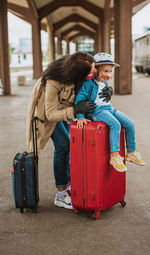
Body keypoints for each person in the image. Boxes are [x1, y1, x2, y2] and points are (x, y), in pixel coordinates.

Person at [26, 52, 113, 210]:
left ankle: (68, 185)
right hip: (48, 115)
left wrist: (106, 90)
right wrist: (75, 110)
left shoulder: (82, 72)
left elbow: (95, 84)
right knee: (64, 146)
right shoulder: (53, 81)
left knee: (71, 147)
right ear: (78, 73)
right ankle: (60, 195)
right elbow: (50, 114)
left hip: (66, 111)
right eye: (91, 71)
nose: (95, 72)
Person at [75, 52, 146, 172]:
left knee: (130, 123)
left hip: (109, 108)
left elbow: (103, 98)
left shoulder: (104, 82)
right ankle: (115, 156)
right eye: (106, 71)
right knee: (115, 124)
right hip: (96, 111)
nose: (109, 74)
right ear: (95, 70)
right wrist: (80, 116)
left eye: (110, 71)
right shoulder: (87, 84)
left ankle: (131, 152)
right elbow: (79, 101)